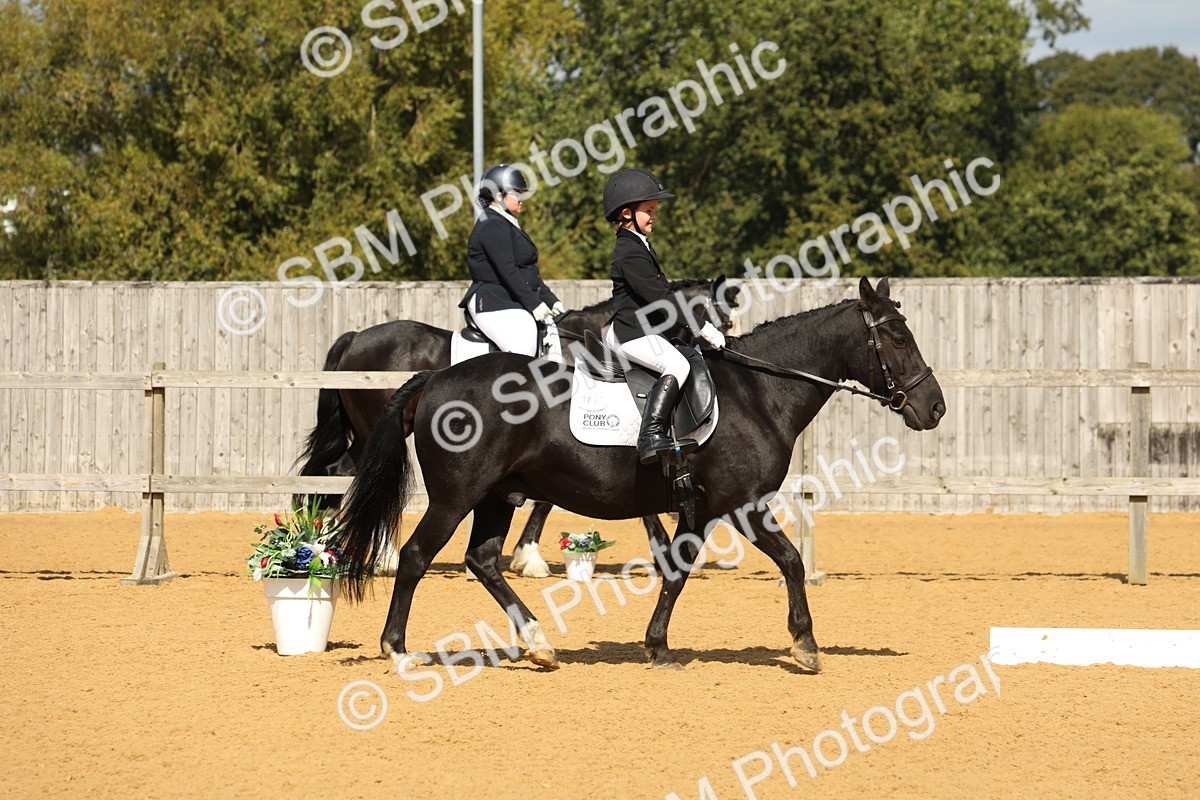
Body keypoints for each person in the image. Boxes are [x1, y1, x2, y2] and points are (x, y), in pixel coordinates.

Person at [601, 168, 726, 464]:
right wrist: (701, 326)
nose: (654, 216)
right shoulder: (628, 250)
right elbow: (661, 296)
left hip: (642, 329)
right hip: (631, 333)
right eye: (648, 210)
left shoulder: (639, 244)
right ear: (627, 213)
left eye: (654, 210)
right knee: (677, 365)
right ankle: (651, 436)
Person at [458, 163, 565, 356]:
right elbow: (508, 271)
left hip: (508, 299)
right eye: (517, 193)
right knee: (524, 344)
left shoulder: (505, 222)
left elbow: (528, 272)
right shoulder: (492, 224)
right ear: (499, 195)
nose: (522, 199)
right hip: (492, 301)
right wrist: (535, 304)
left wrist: (551, 300)